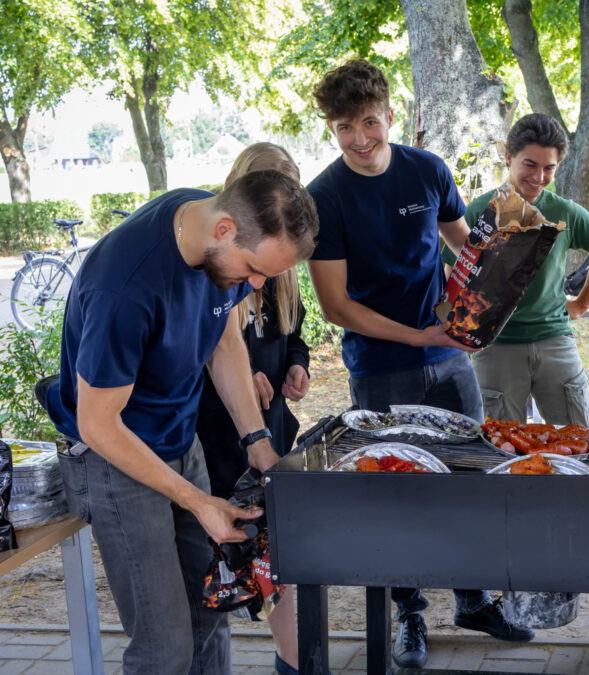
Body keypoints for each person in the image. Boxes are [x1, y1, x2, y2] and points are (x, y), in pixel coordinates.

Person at [305, 59, 533, 670]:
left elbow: (464, 243)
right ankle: (408, 612)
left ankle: (473, 597)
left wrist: (502, 276)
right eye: (345, 127)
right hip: (381, 363)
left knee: (470, 476)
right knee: (396, 488)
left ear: (390, 113)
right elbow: (335, 305)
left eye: (370, 122)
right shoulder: (324, 197)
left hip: (451, 356)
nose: (360, 138)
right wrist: (414, 335)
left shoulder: (428, 170)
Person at [42, 171, 319, 674]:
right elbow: (97, 424)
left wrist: (256, 438)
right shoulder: (125, 286)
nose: (257, 286)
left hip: (177, 439)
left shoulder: (209, 223)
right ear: (225, 230)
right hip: (112, 458)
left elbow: (225, 338)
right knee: (164, 645)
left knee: (211, 613)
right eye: (255, 270)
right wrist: (197, 502)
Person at [196, 142, 310, 675]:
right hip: (219, 436)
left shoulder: (281, 269)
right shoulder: (215, 265)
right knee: (224, 561)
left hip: (273, 431)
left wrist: (295, 364)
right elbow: (208, 352)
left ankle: (294, 662)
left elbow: (295, 333)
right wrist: (244, 377)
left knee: (284, 559)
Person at [442, 113, 589, 425]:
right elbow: (452, 270)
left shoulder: (562, 211)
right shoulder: (480, 210)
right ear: (509, 158)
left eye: (549, 168)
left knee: (576, 438)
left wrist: (581, 304)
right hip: (496, 345)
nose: (539, 176)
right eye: (530, 164)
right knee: (498, 444)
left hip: (554, 339)